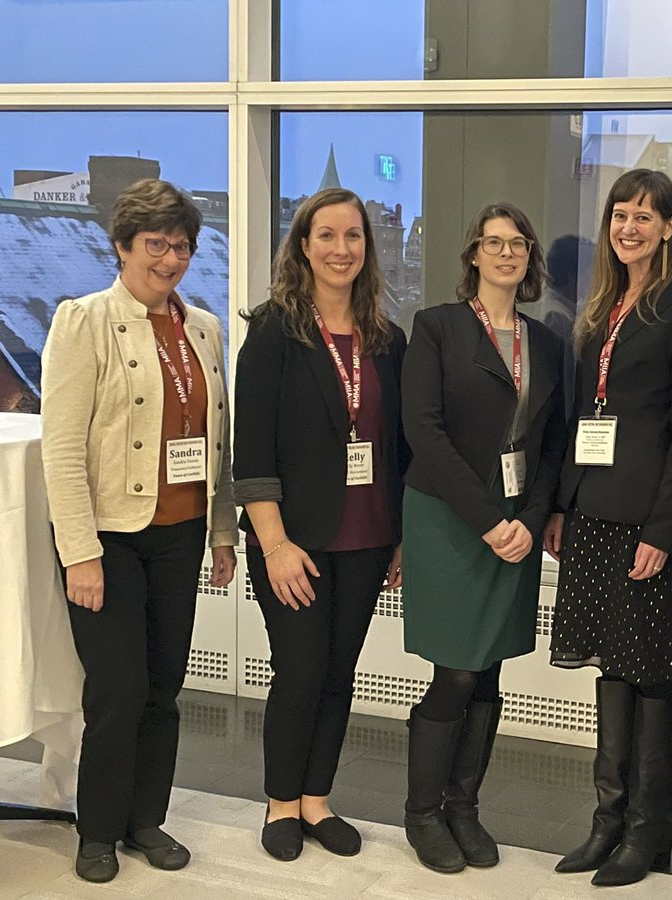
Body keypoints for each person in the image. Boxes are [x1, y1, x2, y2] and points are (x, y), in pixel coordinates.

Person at [41, 178, 237, 882]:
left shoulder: (204, 328)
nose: (171, 259)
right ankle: (97, 829)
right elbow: (61, 448)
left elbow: (217, 442)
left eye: (182, 245)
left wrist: (222, 533)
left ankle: (145, 820)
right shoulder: (83, 321)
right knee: (118, 692)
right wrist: (80, 554)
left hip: (180, 535)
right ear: (121, 245)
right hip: (111, 539)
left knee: (164, 686)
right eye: (156, 244)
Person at [545, 169, 672, 888]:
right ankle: (607, 823)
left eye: (645, 217)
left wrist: (663, 526)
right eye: (620, 215)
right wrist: (561, 503)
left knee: (650, 678)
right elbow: (583, 416)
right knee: (611, 671)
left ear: (670, 226)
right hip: (591, 513)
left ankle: (648, 835)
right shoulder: (604, 308)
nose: (630, 228)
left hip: (644, 522)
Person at [233, 188, 407, 862]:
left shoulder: (389, 340)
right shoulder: (275, 332)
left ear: (368, 247)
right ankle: (280, 802)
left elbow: (397, 448)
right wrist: (273, 546)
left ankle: (316, 800)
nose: (342, 249)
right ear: (302, 245)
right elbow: (253, 454)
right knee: (299, 672)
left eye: (354, 236)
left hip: (366, 538)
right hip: (293, 543)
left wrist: (399, 542)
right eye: (327, 235)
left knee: (340, 674)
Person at [400, 203, 565, 874]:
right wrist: (490, 521)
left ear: (529, 258)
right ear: (472, 254)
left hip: (516, 519)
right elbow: (425, 432)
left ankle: (464, 808)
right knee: (456, 668)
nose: (505, 253)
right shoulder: (436, 328)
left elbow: (552, 443)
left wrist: (528, 517)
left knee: (490, 667)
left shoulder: (548, 343)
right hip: (448, 516)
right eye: (493, 243)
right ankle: (422, 813)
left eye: (517, 243)